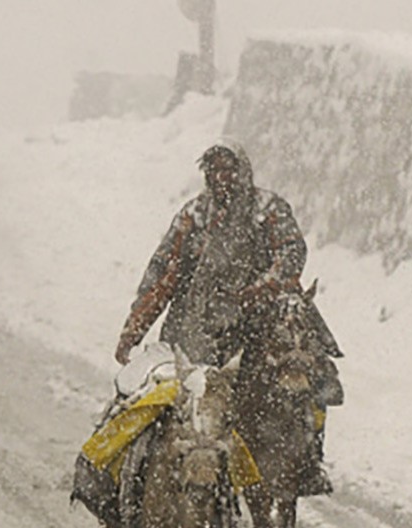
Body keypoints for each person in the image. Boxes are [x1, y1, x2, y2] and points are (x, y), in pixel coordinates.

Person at [115, 141, 341, 495]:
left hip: (261, 326)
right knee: (173, 400)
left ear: (243, 172)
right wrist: (135, 328)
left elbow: (291, 253)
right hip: (197, 326)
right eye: (214, 170)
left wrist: (260, 289)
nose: (222, 178)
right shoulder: (193, 216)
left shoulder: (268, 210)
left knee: (313, 378)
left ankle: (307, 461)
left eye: (228, 169)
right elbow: (163, 275)